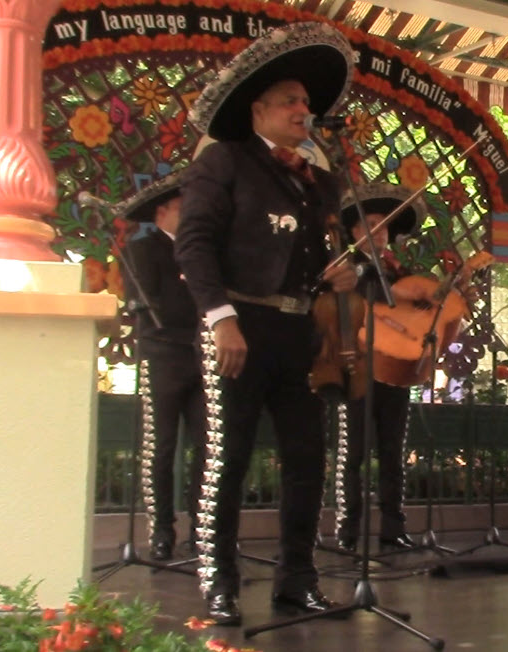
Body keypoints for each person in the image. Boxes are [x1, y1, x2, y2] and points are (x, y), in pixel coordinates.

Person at [174, 22, 358, 626]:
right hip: (238, 326)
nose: (304, 111)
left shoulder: (319, 182)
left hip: (297, 333)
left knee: (308, 457)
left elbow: (311, 261)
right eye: (290, 101)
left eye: (307, 103)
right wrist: (221, 318)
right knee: (226, 456)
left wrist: (339, 275)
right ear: (258, 109)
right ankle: (218, 582)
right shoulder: (224, 161)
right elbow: (194, 244)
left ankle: (296, 579)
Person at [329, 182, 427, 553]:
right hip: (355, 371)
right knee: (352, 454)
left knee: (392, 452)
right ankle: (347, 529)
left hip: (394, 374)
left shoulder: (401, 275)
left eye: (385, 226)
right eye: (371, 223)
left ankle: (393, 527)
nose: (379, 232)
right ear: (354, 231)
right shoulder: (343, 268)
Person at [116, 172, 204, 562]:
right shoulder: (144, 248)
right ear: (164, 212)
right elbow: (149, 305)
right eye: (184, 209)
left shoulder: (202, 251)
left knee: (208, 445)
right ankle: (161, 530)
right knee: (162, 446)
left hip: (201, 353)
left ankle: (204, 527)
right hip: (163, 354)